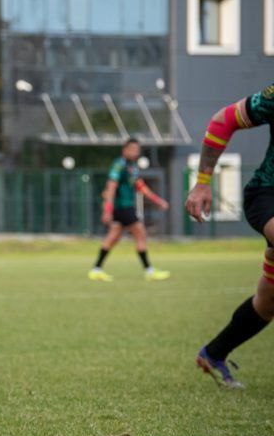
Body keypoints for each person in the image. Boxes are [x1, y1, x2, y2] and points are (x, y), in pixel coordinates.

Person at [187, 82, 274, 388]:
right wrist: (201, 182)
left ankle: (214, 353)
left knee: (267, 301)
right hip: (268, 195)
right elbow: (223, 120)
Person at [88, 138, 170, 282]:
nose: (135, 152)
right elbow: (111, 187)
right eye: (132, 149)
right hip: (123, 207)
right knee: (141, 233)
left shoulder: (133, 167)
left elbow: (140, 186)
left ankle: (96, 269)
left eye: (137, 150)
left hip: (125, 208)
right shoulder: (119, 165)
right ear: (124, 150)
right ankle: (149, 271)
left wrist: (157, 200)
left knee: (113, 238)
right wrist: (107, 209)